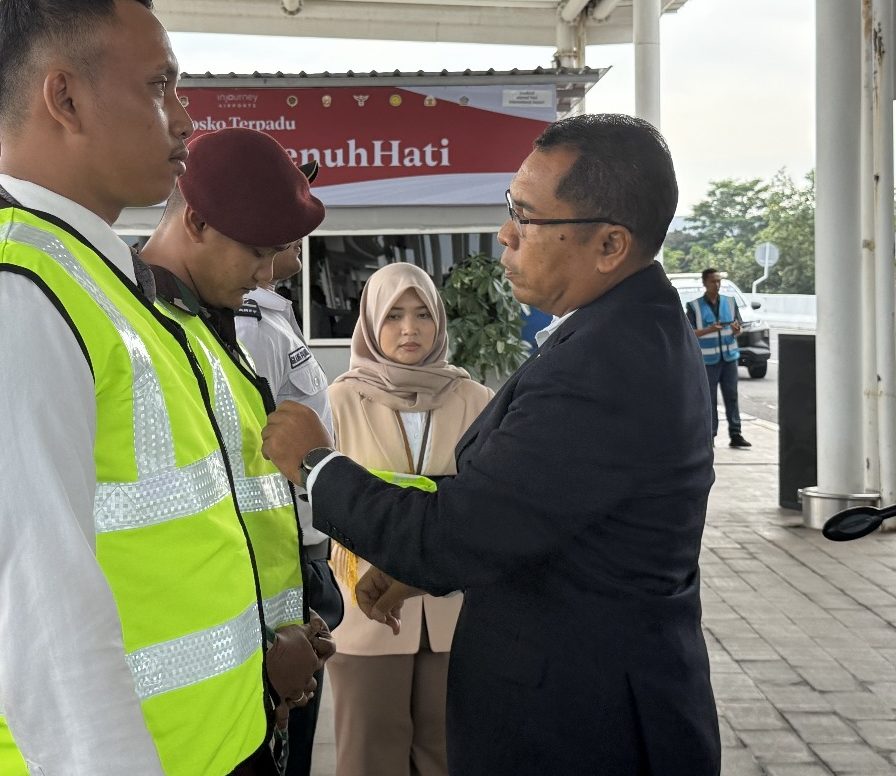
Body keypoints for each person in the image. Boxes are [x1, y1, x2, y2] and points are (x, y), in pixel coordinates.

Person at [0, 0, 321, 776]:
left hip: (211, 745)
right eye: (159, 86)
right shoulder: (13, 295)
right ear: (66, 98)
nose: (184, 117)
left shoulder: (97, 282)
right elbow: (44, 626)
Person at [262, 113, 722, 776]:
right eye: (511, 208)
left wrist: (317, 464)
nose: (505, 235)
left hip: (583, 726)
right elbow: (523, 504)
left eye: (526, 218)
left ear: (609, 245)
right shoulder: (624, 329)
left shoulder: (606, 362)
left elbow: (456, 531)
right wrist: (420, 569)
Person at [140, 127, 336, 757]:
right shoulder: (140, 336)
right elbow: (145, 546)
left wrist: (285, 622)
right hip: (184, 711)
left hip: (252, 678)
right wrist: (259, 648)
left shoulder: (207, 325)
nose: (266, 274)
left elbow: (235, 506)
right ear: (196, 221)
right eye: (257, 251)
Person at [323, 262, 494, 776]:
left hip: (454, 610)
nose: (409, 329)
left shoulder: (475, 399)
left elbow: (489, 500)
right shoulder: (340, 400)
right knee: (369, 754)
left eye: (422, 314)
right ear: (371, 322)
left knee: (448, 755)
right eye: (393, 315)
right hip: (365, 607)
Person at [234, 235, 344, 776]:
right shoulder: (250, 324)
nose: (296, 228)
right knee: (280, 742)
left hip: (302, 559)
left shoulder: (274, 313)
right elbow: (253, 456)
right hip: (279, 563)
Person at [685, 268, 752, 449]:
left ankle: (736, 434)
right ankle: (710, 435)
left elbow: (739, 327)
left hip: (729, 358)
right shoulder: (694, 306)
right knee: (709, 399)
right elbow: (689, 333)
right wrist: (709, 330)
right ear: (704, 283)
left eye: (719, 281)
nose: (717, 284)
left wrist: (737, 331)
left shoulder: (730, 302)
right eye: (713, 281)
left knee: (732, 397)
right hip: (708, 361)